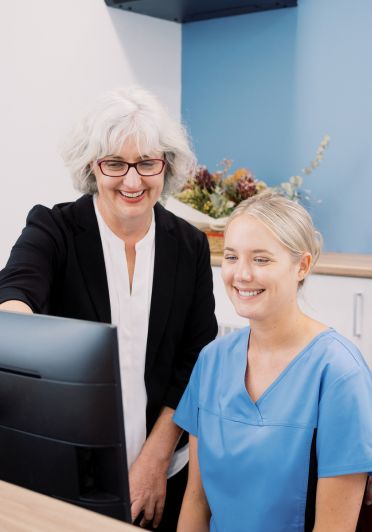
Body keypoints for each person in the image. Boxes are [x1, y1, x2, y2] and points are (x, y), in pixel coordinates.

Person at [0, 86, 218, 530]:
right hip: (67, 471)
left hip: (164, 468)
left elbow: (196, 359)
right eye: (115, 164)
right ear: (91, 167)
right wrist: (17, 331)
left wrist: (155, 460)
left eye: (147, 163)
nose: (133, 181)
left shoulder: (189, 245)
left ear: (167, 165)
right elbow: (16, 291)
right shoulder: (54, 228)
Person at [174, 190, 372, 532]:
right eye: (233, 257)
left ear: (302, 266)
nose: (242, 274)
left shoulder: (339, 374)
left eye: (261, 259)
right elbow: (196, 500)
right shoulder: (212, 361)